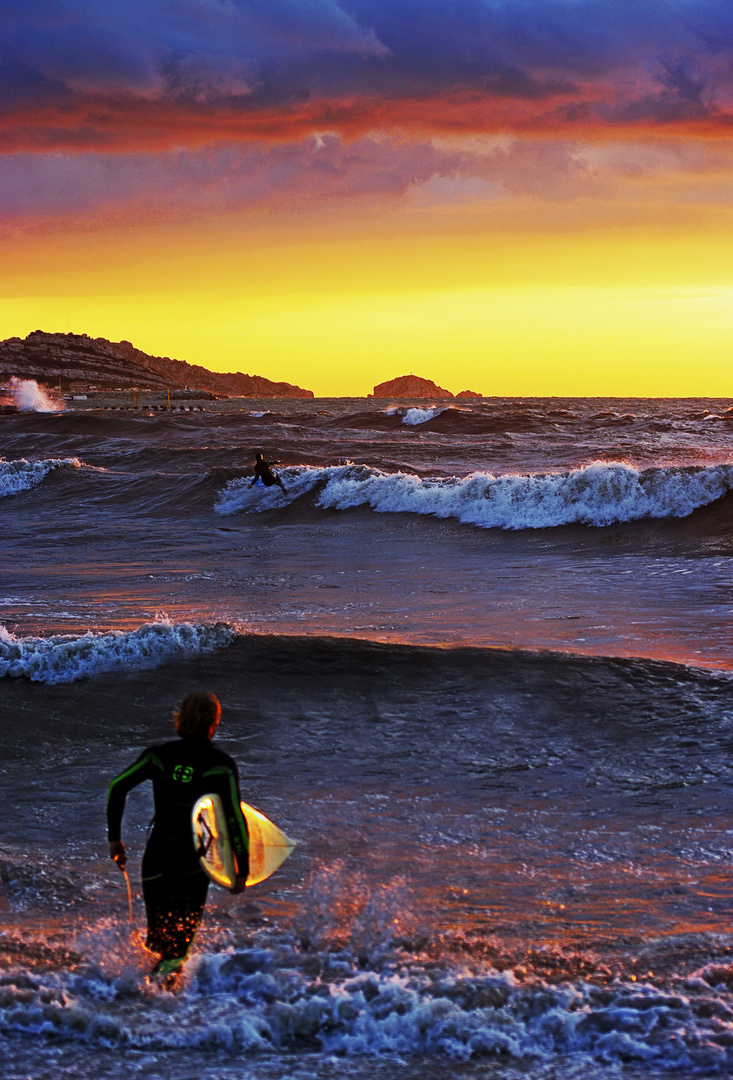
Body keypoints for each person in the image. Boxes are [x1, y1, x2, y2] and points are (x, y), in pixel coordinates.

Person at [107, 692, 249, 982]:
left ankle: (138, 1004)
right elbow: (234, 819)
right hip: (191, 863)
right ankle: (164, 1006)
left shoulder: (158, 755)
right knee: (178, 948)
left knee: (158, 941)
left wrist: (115, 839)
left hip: (158, 855)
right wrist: (241, 870)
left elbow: (117, 788)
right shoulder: (221, 764)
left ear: (180, 719)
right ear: (214, 723)